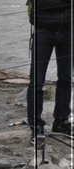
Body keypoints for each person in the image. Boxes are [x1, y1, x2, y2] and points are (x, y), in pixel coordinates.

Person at [28, 0, 72, 136]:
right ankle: (35, 126)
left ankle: (61, 121)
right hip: (43, 30)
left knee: (66, 79)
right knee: (37, 81)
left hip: (69, 29)